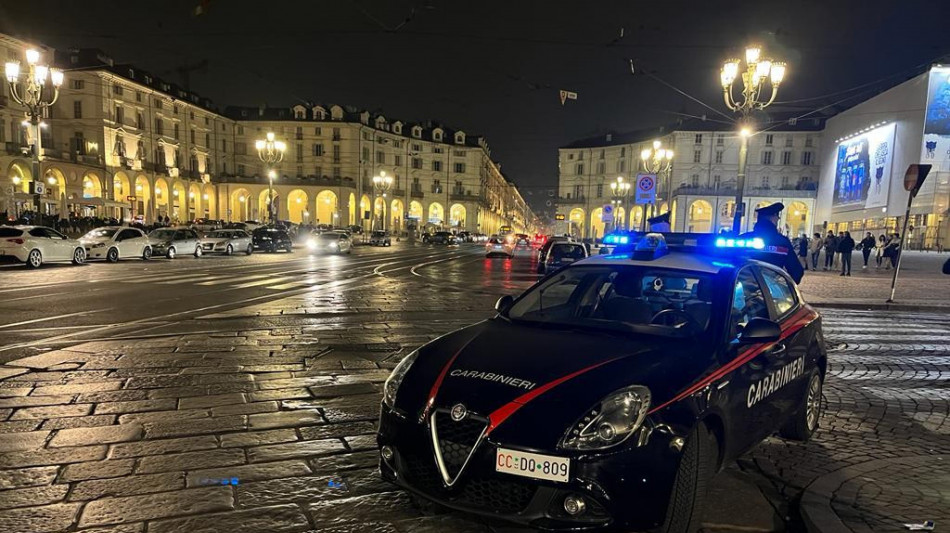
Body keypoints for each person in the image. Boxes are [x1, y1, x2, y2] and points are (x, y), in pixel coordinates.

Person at [739, 202, 804, 283]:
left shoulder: (743, 238)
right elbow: (796, 271)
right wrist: (784, 289)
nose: (777, 219)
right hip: (769, 290)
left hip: (742, 289)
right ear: (772, 217)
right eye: (777, 217)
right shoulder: (782, 242)